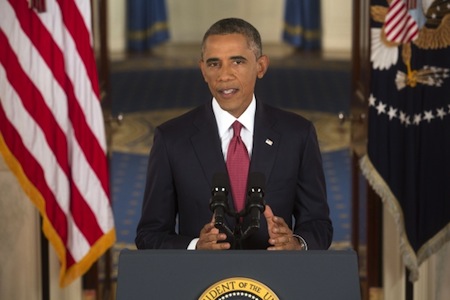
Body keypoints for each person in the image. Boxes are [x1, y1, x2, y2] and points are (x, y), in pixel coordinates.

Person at [135, 18, 333, 251]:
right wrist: (195, 246)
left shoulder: (297, 134)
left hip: (274, 281)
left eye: (237, 62)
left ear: (260, 66)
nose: (224, 75)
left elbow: (319, 225)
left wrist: (296, 244)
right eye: (214, 64)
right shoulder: (171, 139)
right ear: (203, 70)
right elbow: (149, 236)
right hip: (203, 282)